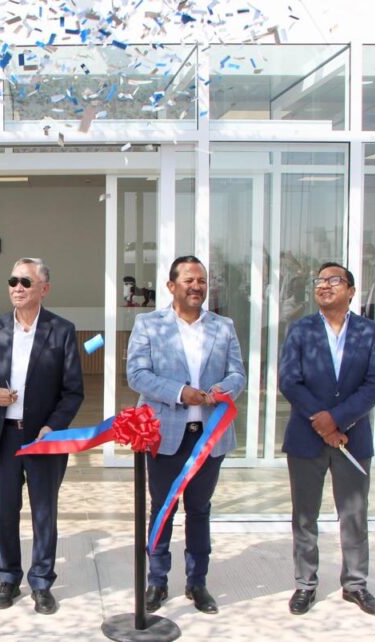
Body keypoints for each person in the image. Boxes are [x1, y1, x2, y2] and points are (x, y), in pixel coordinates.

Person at [126, 255, 246, 615]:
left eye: (202, 281)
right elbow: (137, 374)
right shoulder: (149, 324)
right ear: (171, 286)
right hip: (165, 435)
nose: (197, 287)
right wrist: (181, 392)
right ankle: (157, 582)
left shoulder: (223, 326)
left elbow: (238, 374)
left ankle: (197, 582)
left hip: (209, 437)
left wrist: (222, 390)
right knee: (162, 510)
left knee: (199, 510)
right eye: (189, 280)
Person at [0, 258, 84, 615]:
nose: (17, 287)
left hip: (43, 438)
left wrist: (53, 427)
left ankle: (42, 582)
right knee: (6, 511)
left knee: (44, 512)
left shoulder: (62, 330)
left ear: (44, 288)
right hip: (4, 436)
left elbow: (73, 391)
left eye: (26, 282)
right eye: (13, 281)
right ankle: (8, 578)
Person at [279, 261, 375, 617]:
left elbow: (374, 384)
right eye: (320, 280)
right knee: (304, 515)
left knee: (354, 514)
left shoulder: (370, 332)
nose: (324, 285)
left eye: (334, 280)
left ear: (351, 291)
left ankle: (355, 584)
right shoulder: (300, 330)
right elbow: (289, 380)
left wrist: (338, 419)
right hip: (306, 437)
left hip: (352, 438)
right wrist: (323, 422)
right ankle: (305, 584)